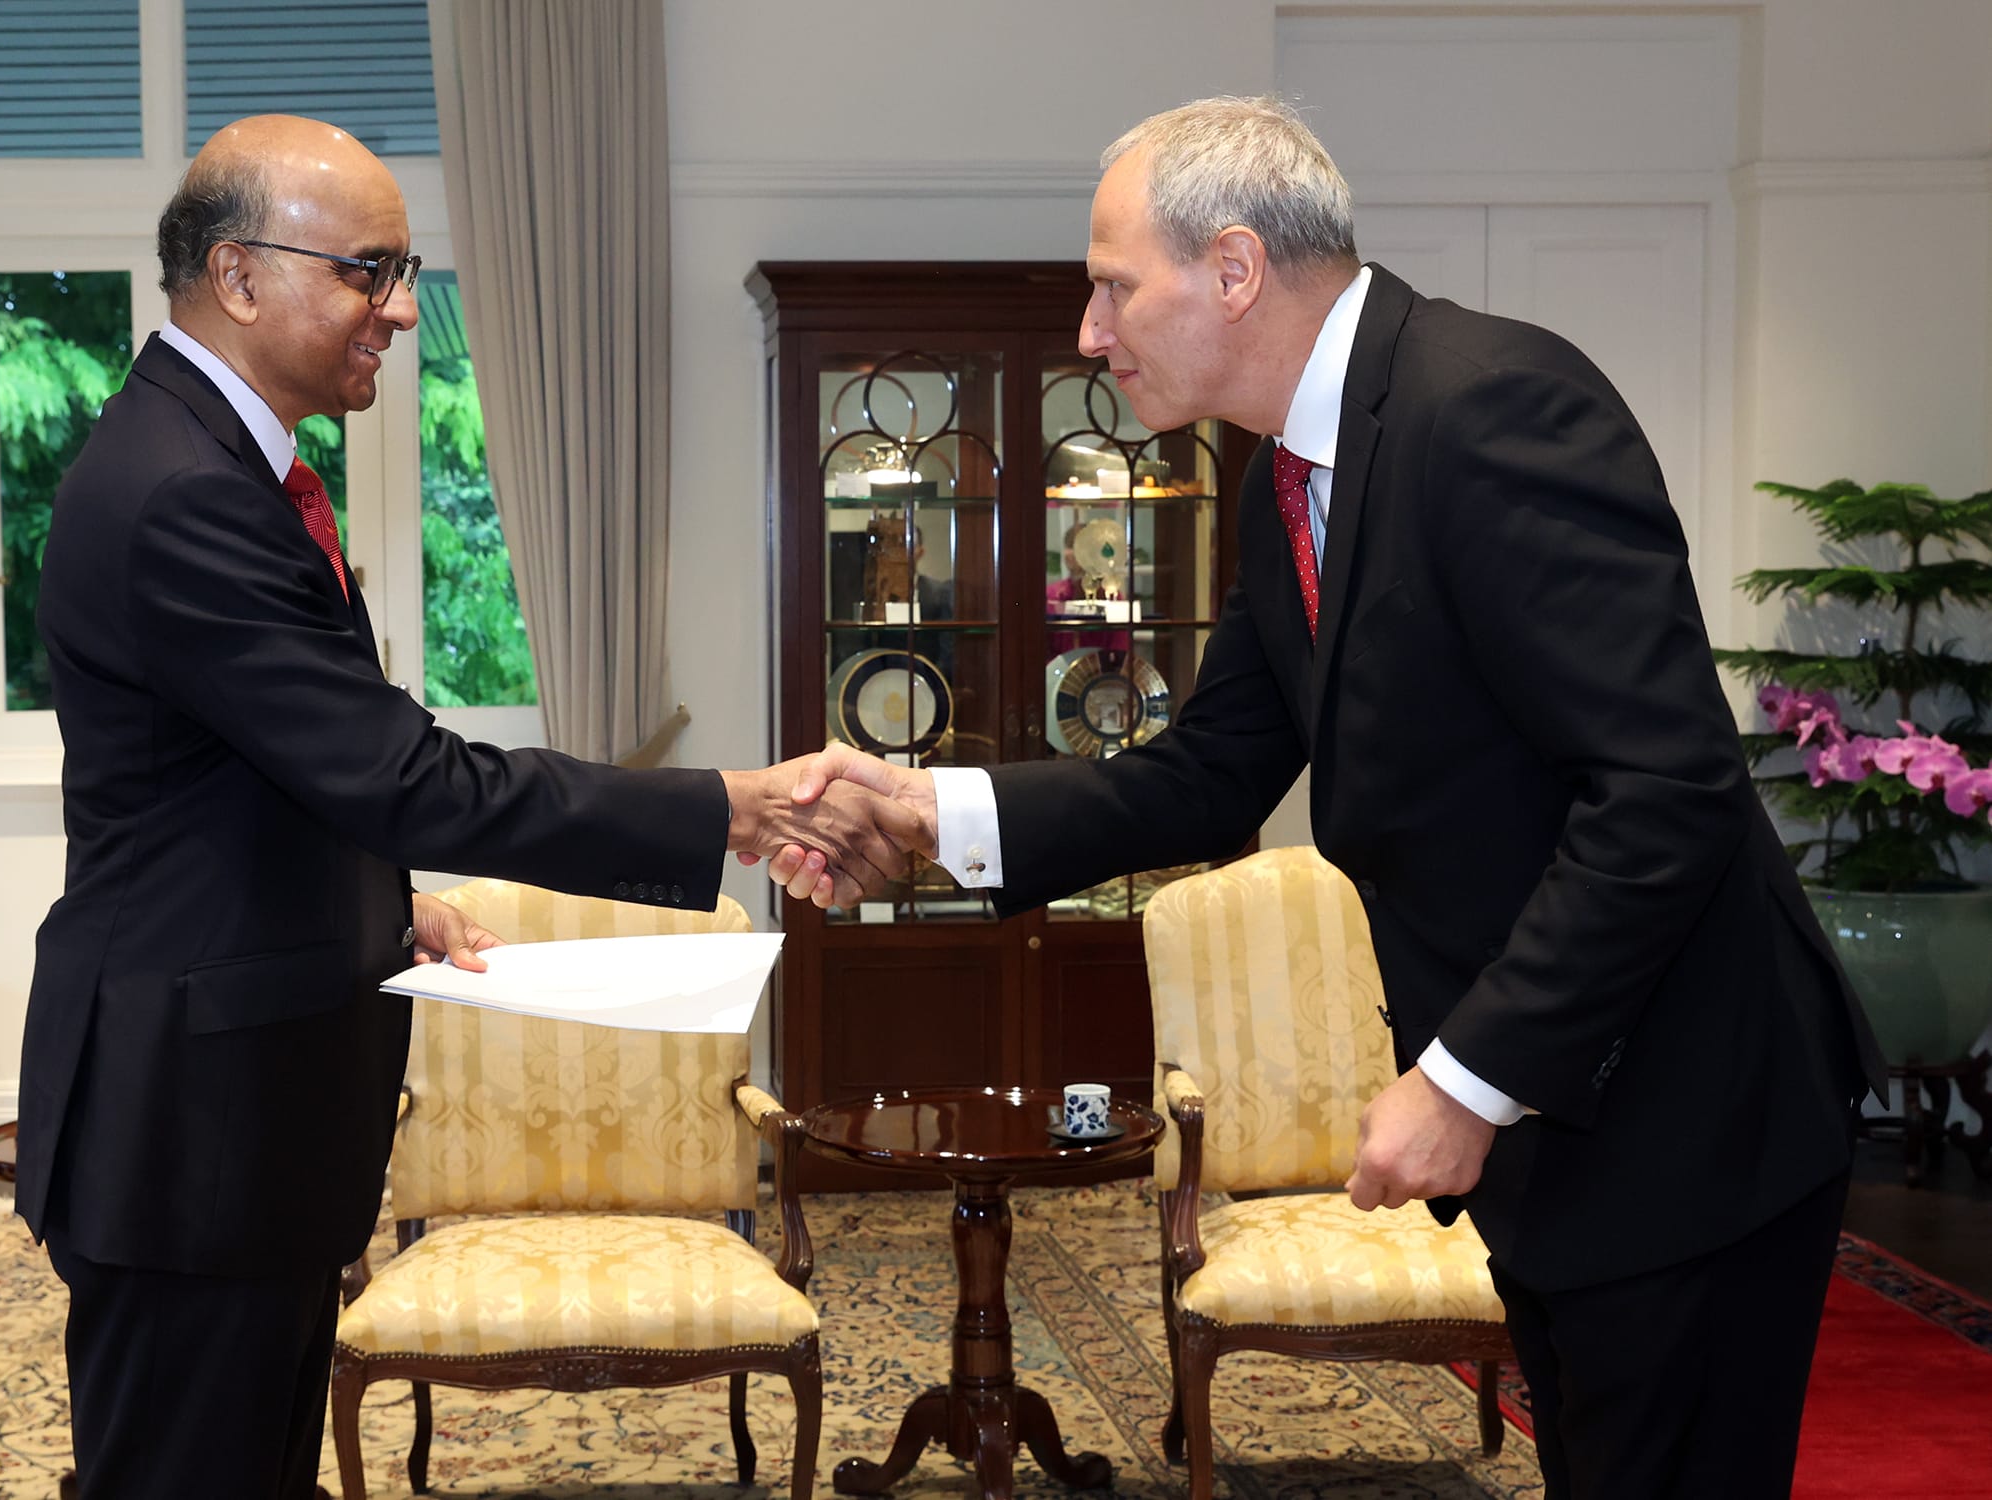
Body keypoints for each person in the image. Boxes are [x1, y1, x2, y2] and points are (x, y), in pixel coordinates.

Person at [773, 96, 1887, 1500]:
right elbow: (1206, 774)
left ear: (1233, 270)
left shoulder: (1488, 408)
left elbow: (1665, 790)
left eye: (1116, 286)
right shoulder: (1287, 483)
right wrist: (928, 814)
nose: (1090, 335)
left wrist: (1466, 1076)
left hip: (1684, 1121)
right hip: (1573, 1142)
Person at [20, 115, 913, 1500]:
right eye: (367, 272)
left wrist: (384, 903)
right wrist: (728, 804)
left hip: (233, 1110)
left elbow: (259, 778)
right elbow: (400, 772)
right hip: (193, 1130)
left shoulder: (214, 462)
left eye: (403, 271)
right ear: (240, 275)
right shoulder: (184, 494)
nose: (395, 311)